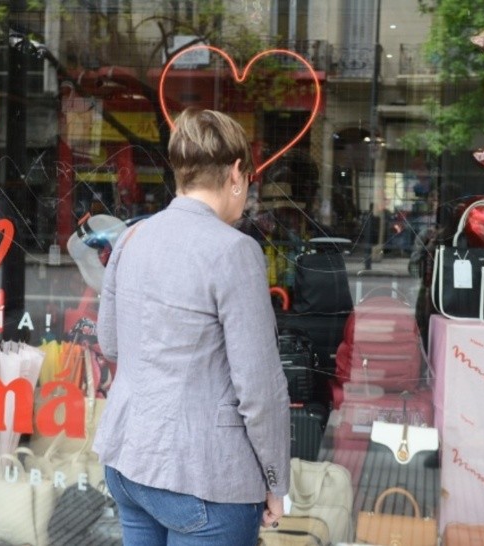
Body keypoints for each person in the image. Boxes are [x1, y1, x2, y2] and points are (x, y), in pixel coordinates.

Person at [93, 108, 291, 545]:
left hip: (130, 460)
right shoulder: (234, 251)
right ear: (237, 172)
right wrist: (276, 482)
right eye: (248, 181)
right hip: (204, 476)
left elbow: (110, 341)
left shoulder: (132, 237)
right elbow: (259, 388)